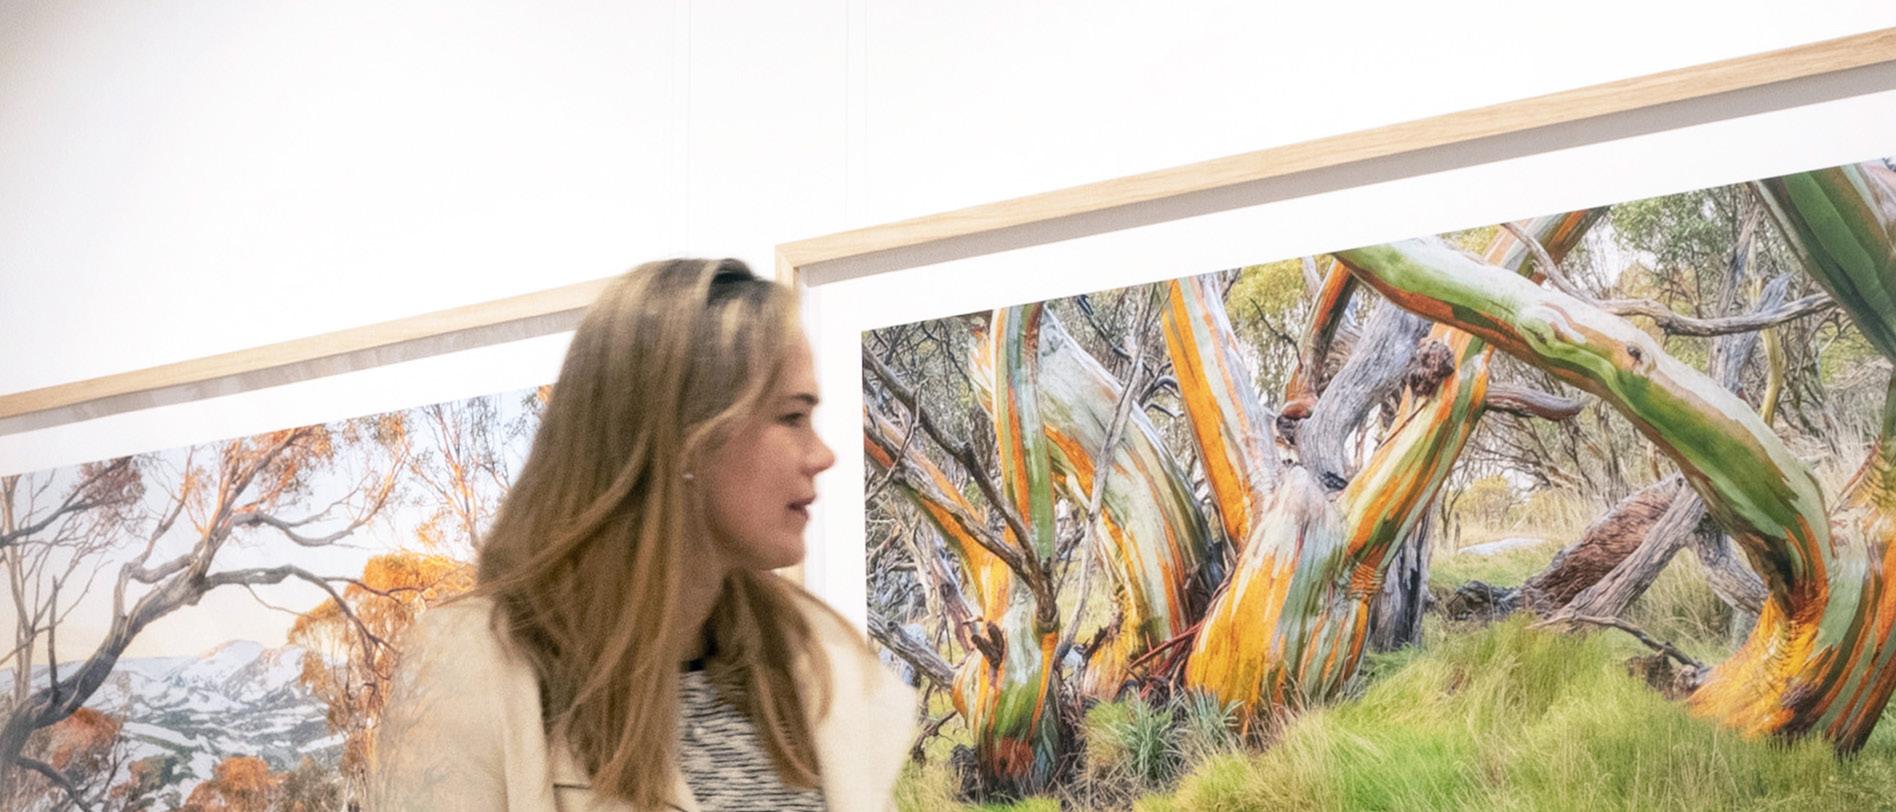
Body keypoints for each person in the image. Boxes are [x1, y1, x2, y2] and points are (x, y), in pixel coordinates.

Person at [367, 259, 917, 811]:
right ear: (684, 436)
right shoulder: (481, 666)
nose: (822, 455)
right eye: (792, 417)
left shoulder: (813, 659)